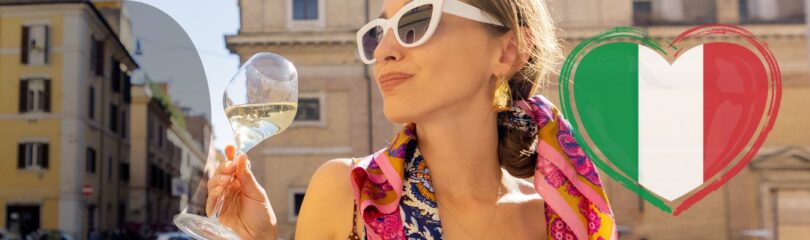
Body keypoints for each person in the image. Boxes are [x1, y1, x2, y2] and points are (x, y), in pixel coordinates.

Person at [205, 0, 615, 239]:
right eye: (377, 32)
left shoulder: (562, 216)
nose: (384, 49)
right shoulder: (345, 195)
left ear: (507, 51)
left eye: (415, 22)